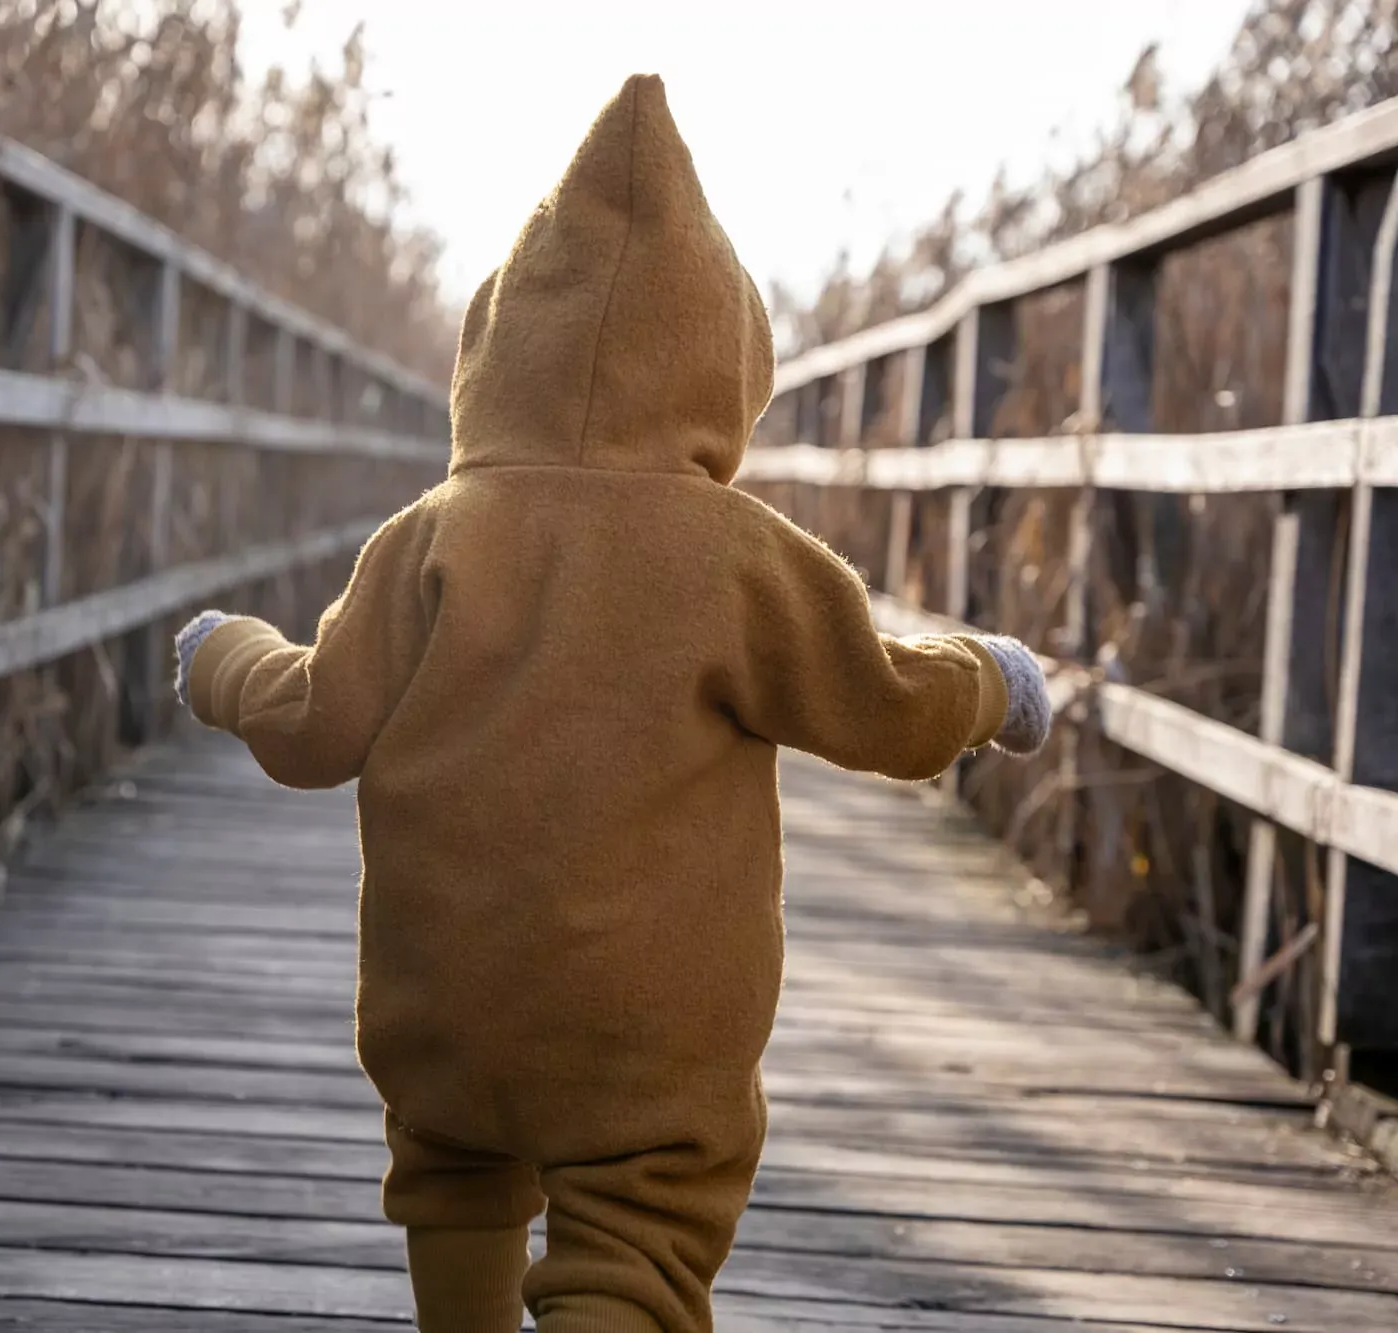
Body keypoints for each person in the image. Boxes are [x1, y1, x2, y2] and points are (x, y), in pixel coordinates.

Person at [170, 72, 1051, 1333]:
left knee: (455, 1169)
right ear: (724, 366)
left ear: (491, 351)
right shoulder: (738, 556)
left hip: (448, 998)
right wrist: (990, 681)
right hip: (645, 1025)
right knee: (641, 1224)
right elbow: (886, 707)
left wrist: (223, 657)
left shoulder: (429, 539)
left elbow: (312, 725)